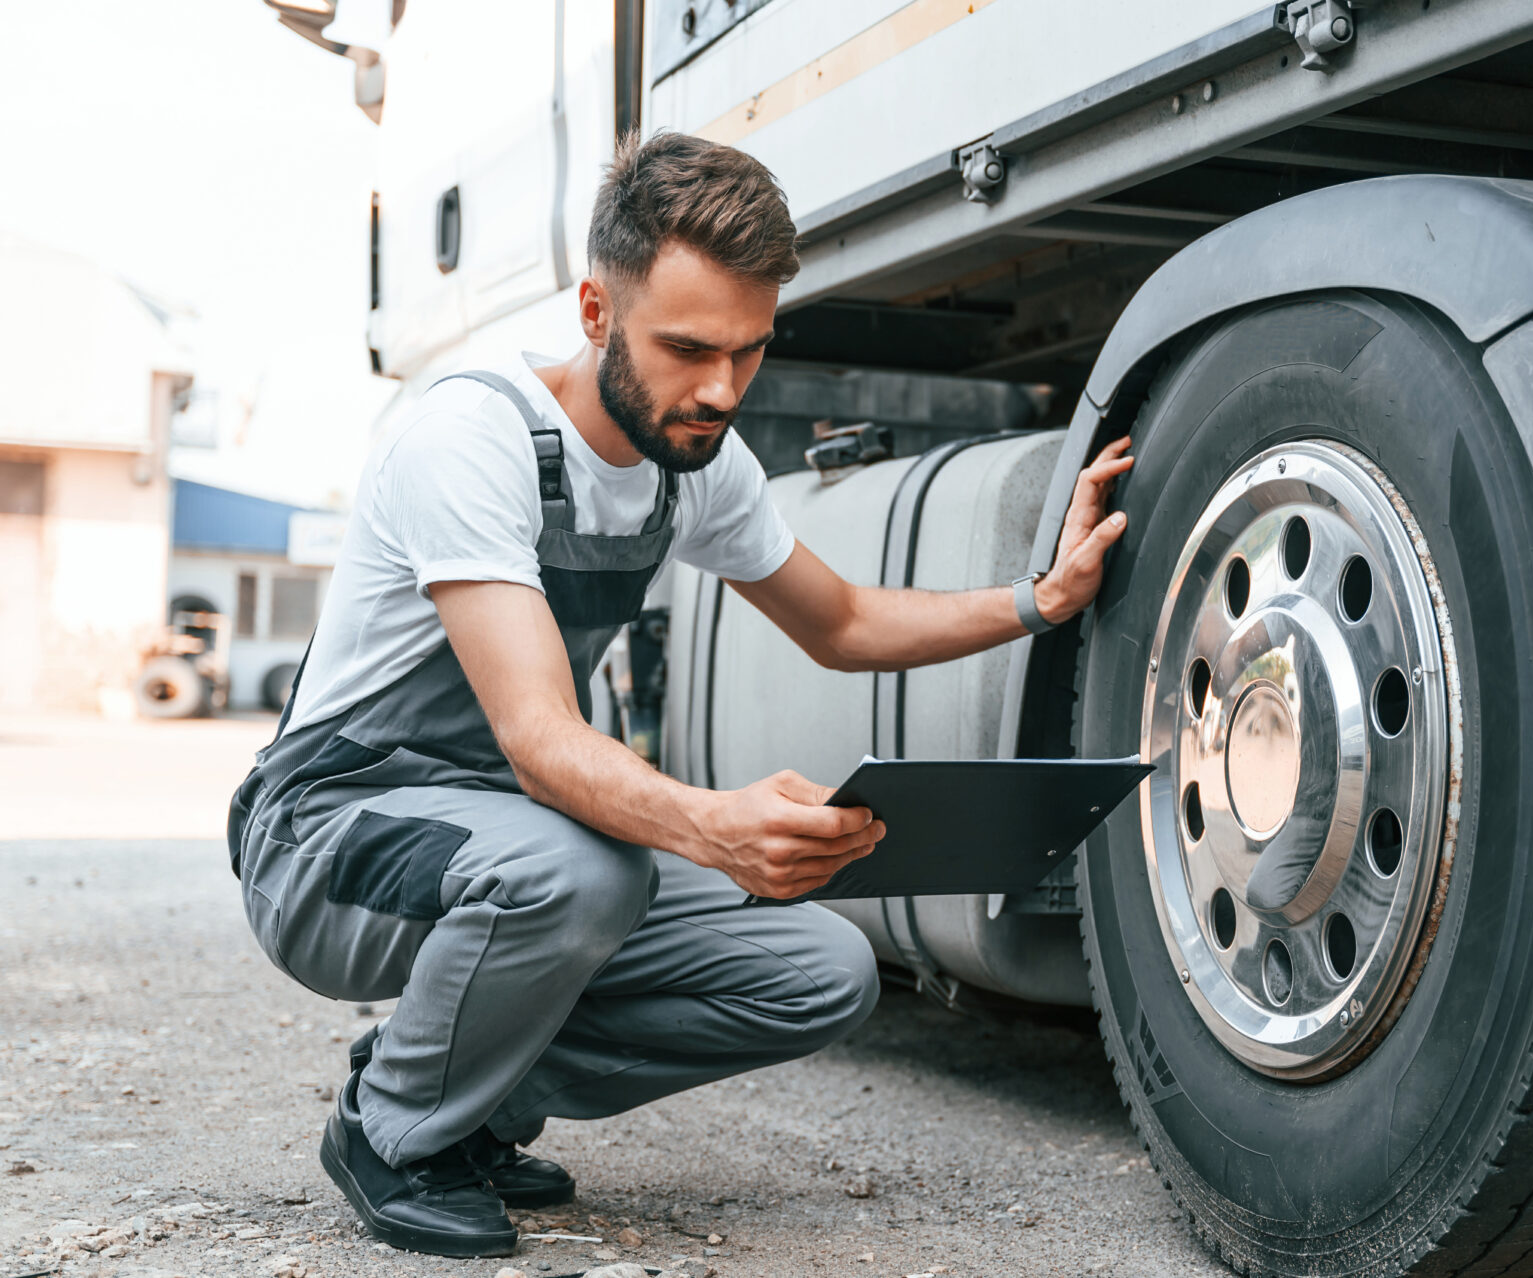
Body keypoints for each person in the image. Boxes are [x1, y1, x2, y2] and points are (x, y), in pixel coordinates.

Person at [225, 130, 1133, 1259]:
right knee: (578, 864)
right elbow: (540, 741)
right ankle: (395, 1132)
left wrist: (1038, 600)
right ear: (596, 311)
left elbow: (840, 623)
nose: (720, 390)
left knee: (821, 973)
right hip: (329, 836)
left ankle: (460, 1091)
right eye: (689, 348)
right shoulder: (471, 438)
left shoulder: (692, 461)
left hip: (505, 847)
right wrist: (714, 827)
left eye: (750, 352)